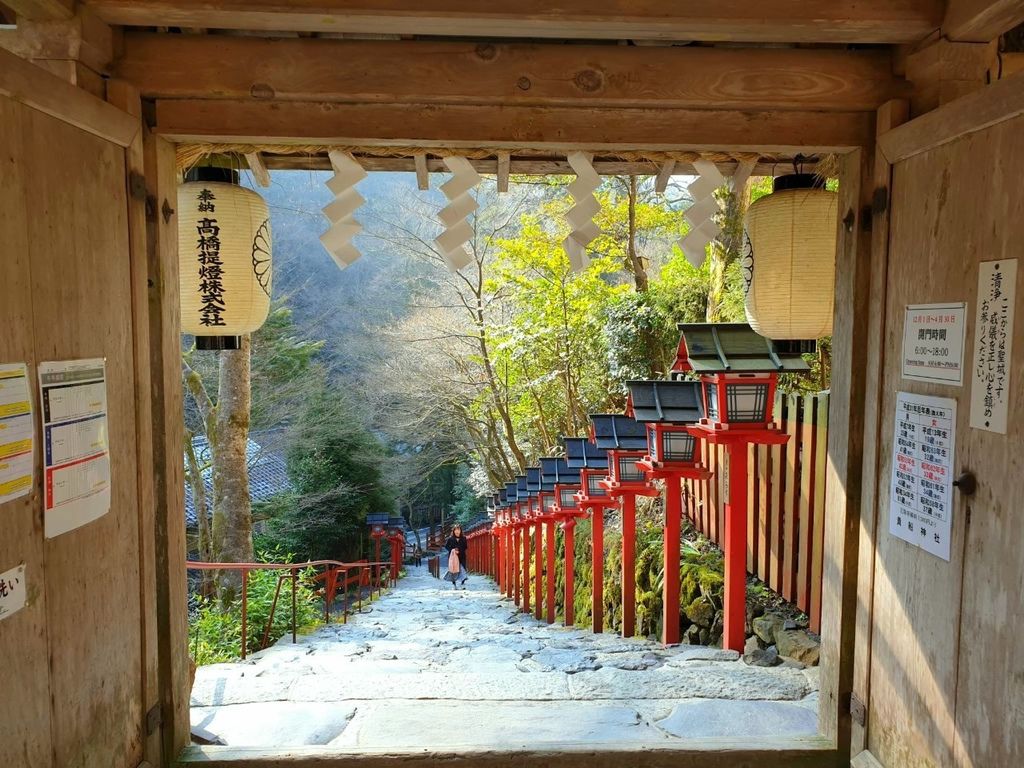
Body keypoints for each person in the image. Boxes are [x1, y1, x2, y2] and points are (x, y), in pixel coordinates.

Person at [443, 525, 469, 589]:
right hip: (453, 557)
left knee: (462, 568)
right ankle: (454, 584)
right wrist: (453, 550)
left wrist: (459, 550)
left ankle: (462, 582)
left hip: (461, 556)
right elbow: (446, 546)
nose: (457, 531)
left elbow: (465, 547)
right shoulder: (450, 539)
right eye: (456, 530)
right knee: (453, 569)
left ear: (460, 531)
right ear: (454, 531)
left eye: (459, 530)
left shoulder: (464, 538)